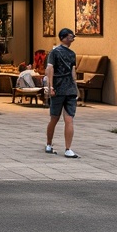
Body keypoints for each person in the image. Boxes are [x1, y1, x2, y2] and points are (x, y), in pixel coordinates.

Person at [44, 28, 79, 157]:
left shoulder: (59, 53)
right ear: (63, 37)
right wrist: (51, 86)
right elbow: (50, 69)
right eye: (71, 37)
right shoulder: (56, 52)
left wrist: (51, 87)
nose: (73, 39)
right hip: (62, 88)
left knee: (57, 118)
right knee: (64, 119)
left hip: (63, 89)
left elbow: (71, 71)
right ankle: (65, 148)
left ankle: (51, 145)